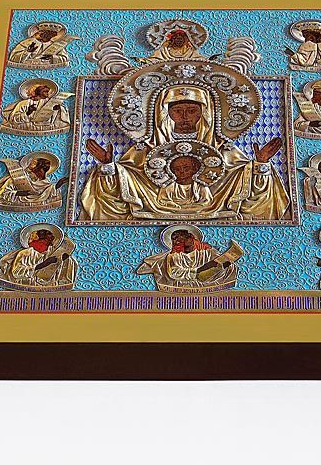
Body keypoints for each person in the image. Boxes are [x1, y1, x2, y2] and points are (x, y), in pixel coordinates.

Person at [79, 85, 290, 221]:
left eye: (192, 111)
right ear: (165, 113)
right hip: (156, 208)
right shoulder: (145, 147)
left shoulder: (223, 147)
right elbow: (125, 182)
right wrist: (108, 167)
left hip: (213, 208)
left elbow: (246, 184)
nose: (185, 117)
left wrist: (261, 165)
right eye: (177, 111)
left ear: (204, 113)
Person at [137, 228, 235, 290]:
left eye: (187, 244)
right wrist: (198, 272)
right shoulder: (174, 256)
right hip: (180, 287)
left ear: (192, 239)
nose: (184, 247)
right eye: (179, 244)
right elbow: (174, 273)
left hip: (208, 286)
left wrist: (222, 267)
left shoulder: (207, 252)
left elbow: (223, 263)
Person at [0, 228, 77, 290]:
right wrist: (42, 265)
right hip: (25, 288)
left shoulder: (54, 253)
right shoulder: (25, 253)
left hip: (50, 290)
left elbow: (63, 275)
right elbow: (16, 272)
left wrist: (62, 261)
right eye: (48, 235)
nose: (52, 238)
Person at [0, 157, 68, 210]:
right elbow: (2, 192)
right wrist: (18, 193)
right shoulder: (18, 178)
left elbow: (46, 192)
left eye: (44, 171)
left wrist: (57, 186)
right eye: (38, 171)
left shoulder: (45, 181)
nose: (42, 175)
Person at [1, 83, 70, 134]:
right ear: (38, 92)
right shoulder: (24, 103)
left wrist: (57, 109)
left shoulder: (51, 102)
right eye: (45, 91)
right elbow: (12, 120)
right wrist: (28, 113)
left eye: (48, 91)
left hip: (49, 128)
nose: (48, 93)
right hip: (29, 128)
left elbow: (62, 119)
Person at [141, 29, 207, 63]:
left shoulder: (189, 50)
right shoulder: (165, 50)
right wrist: (143, 60)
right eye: (177, 39)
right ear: (172, 40)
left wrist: (208, 60)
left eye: (181, 39)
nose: (179, 41)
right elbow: (155, 59)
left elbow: (198, 59)